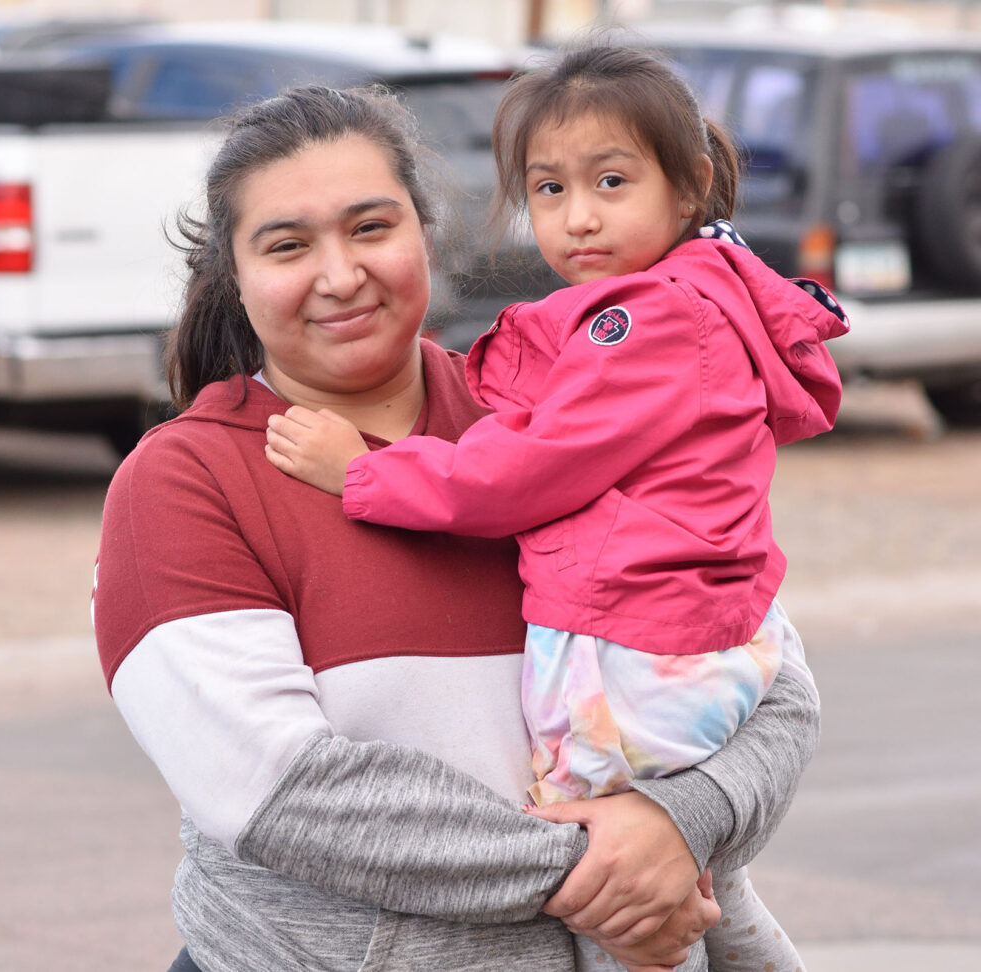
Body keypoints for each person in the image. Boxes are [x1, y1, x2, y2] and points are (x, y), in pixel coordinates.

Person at [92, 82, 823, 972]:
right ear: (233, 278)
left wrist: (684, 819)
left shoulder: (563, 412)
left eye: (371, 228)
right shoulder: (185, 483)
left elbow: (769, 679)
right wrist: (616, 869)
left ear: (425, 234)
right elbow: (283, 795)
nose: (340, 274)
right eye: (287, 246)